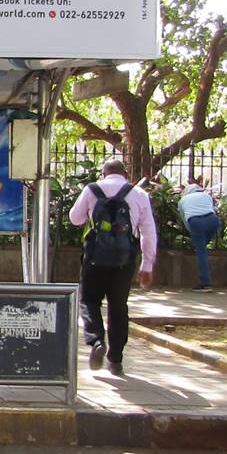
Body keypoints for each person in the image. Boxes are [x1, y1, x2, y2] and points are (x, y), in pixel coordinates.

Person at [68, 157, 157, 376]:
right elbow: (148, 232)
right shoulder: (138, 194)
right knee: (119, 306)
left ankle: (97, 340)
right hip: (124, 260)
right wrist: (147, 265)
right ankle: (116, 360)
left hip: (94, 257)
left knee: (89, 301)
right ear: (125, 174)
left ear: (104, 173)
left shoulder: (92, 190)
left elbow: (75, 219)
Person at [178, 180, 222, 291]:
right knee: (202, 248)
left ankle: (205, 283)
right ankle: (200, 247)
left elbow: (185, 220)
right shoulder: (206, 196)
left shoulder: (182, 200)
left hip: (196, 222)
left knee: (201, 251)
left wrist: (191, 232)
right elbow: (212, 209)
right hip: (213, 220)